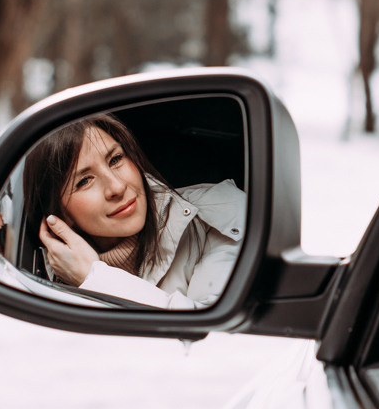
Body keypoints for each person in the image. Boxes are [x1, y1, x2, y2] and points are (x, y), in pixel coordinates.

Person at [22, 113, 245, 309]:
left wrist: (96, 278)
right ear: (57, 216)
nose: (117, 187)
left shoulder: (221, 212)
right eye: (84, 181)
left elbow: (213, 338)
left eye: (116, 159)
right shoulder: (41, 278)